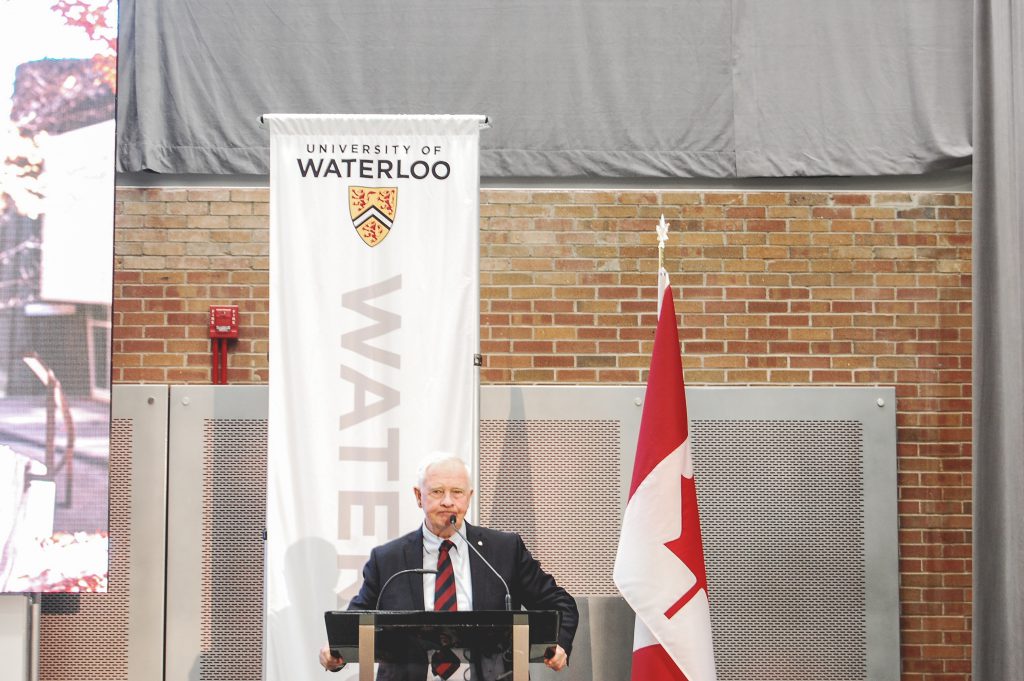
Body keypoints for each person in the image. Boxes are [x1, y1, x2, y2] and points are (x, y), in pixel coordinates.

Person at [319, 453, 578, 679]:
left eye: (457, 492)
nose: (447, 501)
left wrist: (561, 645)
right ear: (419, 496)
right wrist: (335, 652)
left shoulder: (504, 550)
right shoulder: (388, 559)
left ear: (469, 497)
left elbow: (559, 602)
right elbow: (353, 625)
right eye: (436, 491)